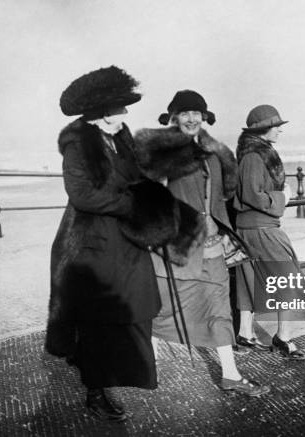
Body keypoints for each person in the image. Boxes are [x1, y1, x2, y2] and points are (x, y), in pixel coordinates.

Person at [45, 66, 186, 421]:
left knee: (135, 309)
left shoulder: (120, 137)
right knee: (97, 320)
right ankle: (96, 390)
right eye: (119, 108)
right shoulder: (78, 143)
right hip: (90, 244)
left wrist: (153, 196)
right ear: (102, 111)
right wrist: (130, 205)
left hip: (126, 242)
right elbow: (82, 195)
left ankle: (127, 371)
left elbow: (136, 178)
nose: (124, 114)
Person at [133, 90, 270, 397]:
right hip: (177, 248)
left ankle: (230, 374)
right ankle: (147, 362)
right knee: (165, 308)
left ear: (205, 117)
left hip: (214, 244)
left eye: (197, 113)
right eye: (184, 113)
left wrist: (225, 230)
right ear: (174, 118)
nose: (192, 118)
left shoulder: (214, 154)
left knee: (220, 308)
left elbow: (224, 196)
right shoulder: (162, 155)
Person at [233, 104, 305, 360]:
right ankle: (282, 339)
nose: (279, 131)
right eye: (277, 127)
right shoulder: (255, 156)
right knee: (288, 278)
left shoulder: (252, 152)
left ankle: (245, 335)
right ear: (264, 129)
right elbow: (252, 195)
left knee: (248, 280)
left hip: (248, 229)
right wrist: (283, 196)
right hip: (260, 228)